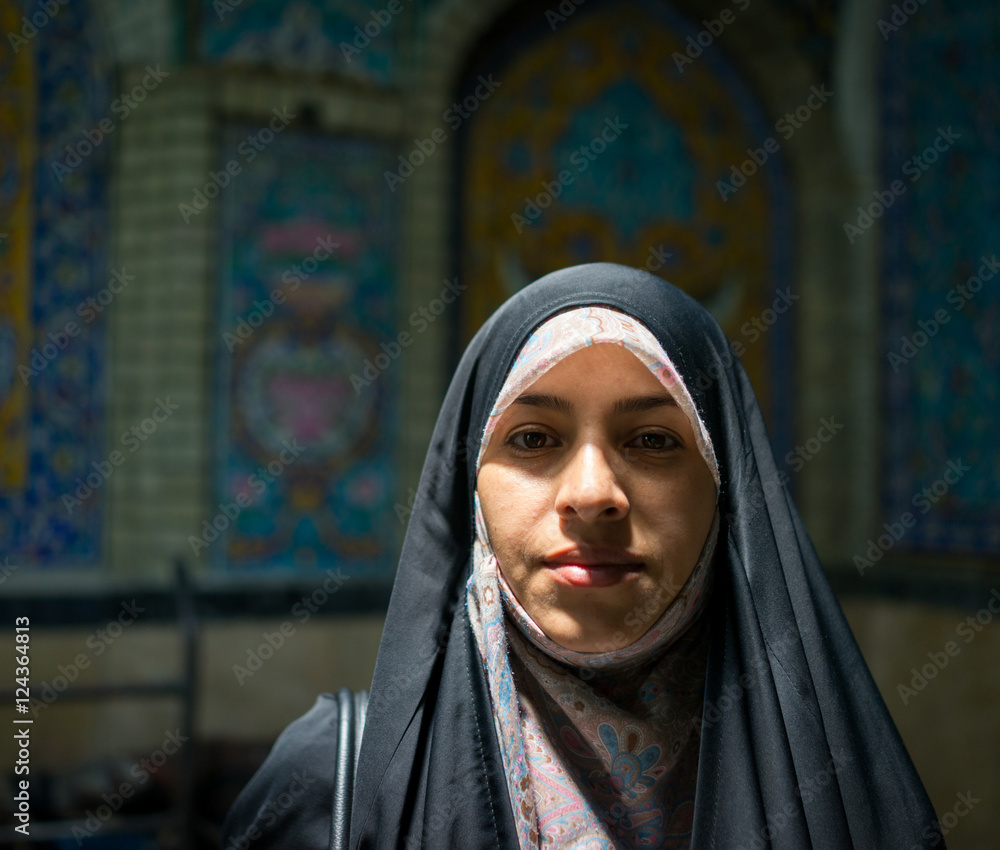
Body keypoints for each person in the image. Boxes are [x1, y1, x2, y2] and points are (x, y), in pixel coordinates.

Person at [222, 263, 942, 848]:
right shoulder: (332, 786)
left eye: (654, 441)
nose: (594, 494)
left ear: (726, 489)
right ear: (467, 489)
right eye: (533, 439)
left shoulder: (843, 789)